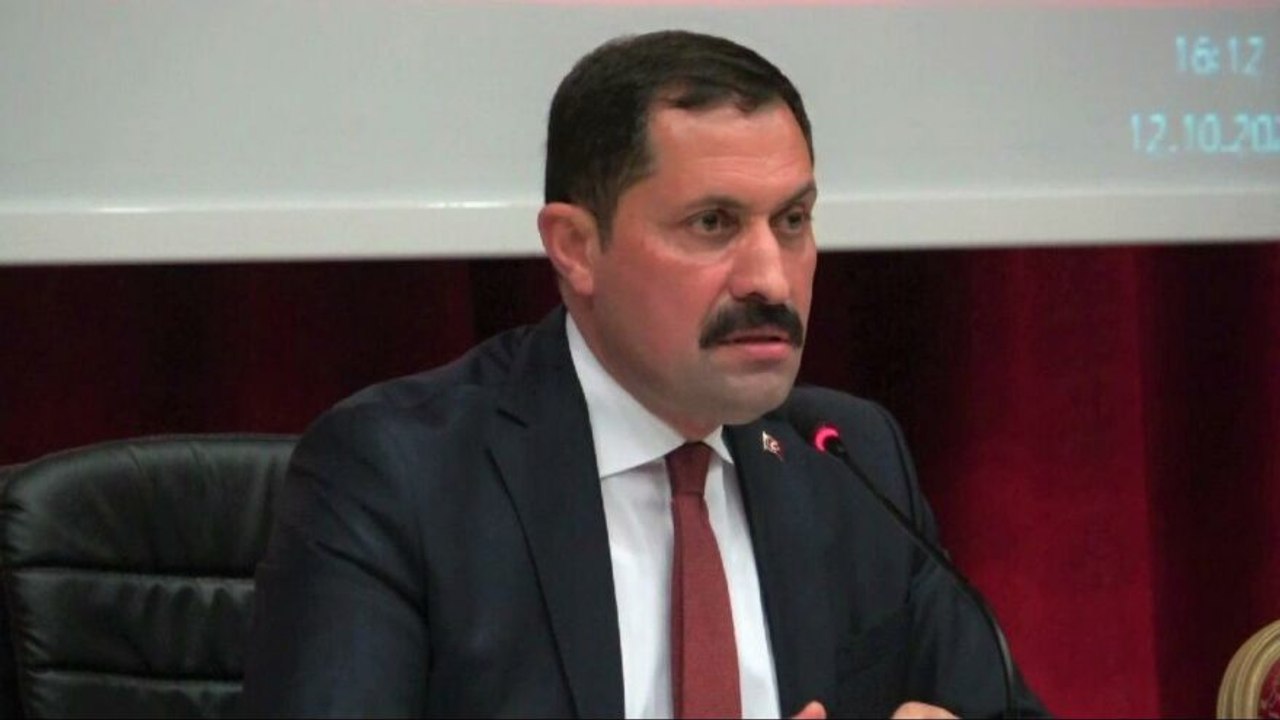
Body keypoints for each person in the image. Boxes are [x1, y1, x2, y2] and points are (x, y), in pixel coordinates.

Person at [241, 30, 1046, 719]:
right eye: (713, 223)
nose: (770, 277)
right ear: (576, 247)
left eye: (793, 220)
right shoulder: (399, 476)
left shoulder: (848, 458)